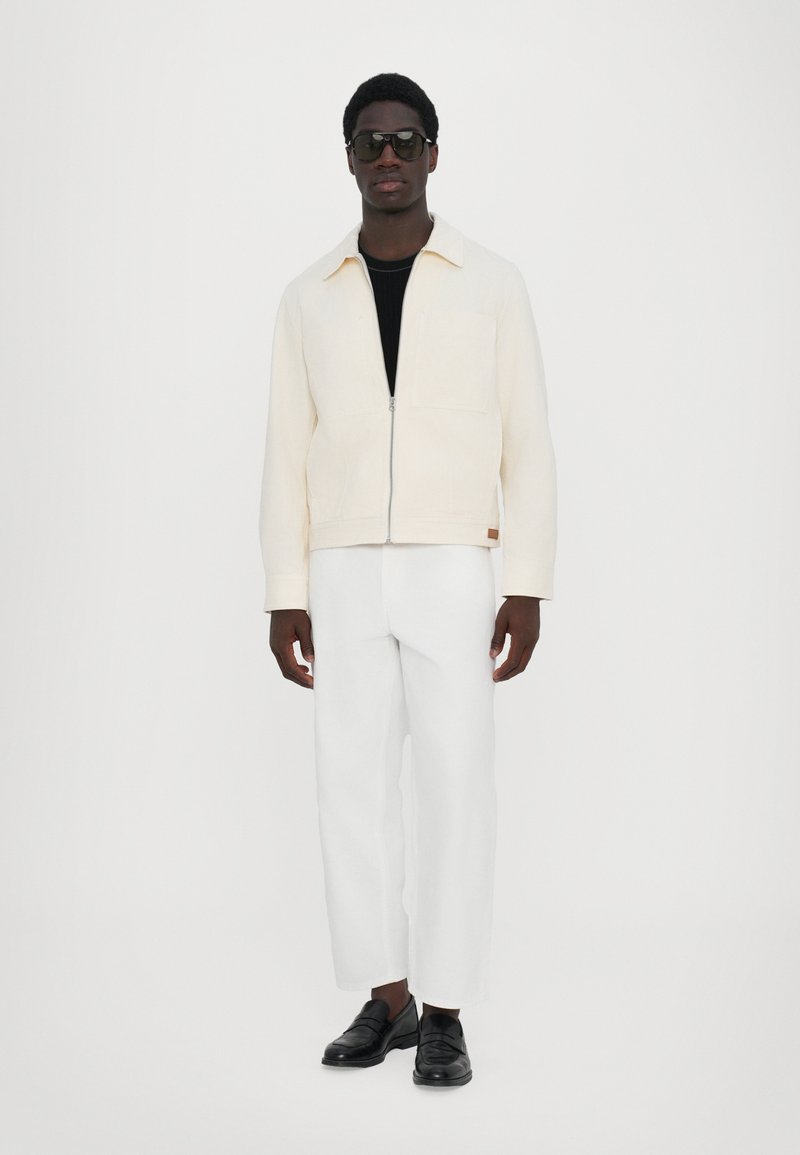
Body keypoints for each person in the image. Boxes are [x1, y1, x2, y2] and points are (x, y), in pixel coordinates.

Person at [258, 72, 557, 1088]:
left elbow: (528, 440)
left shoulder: (491, 282)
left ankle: (447, 1009)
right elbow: (284, 452)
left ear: (433, 153)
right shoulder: (308, 295)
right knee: (349, 787)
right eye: (369, 141)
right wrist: (284, 589)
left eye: (405, 139)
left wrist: (524, 581)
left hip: (453, 564)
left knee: (455, 785)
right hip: (340, 570)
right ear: (348, 157)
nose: (387, 156)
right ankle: (387, 998)